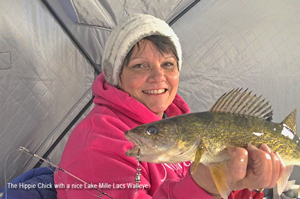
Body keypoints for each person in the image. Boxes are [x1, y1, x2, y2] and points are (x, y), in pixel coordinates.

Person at [54, 13, 285, 199]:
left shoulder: (182, 126)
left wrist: (245, 185)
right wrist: (204, 186)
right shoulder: (97, 144)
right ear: (115, 75)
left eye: (167, 64)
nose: (158, 76)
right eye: (139, 66)